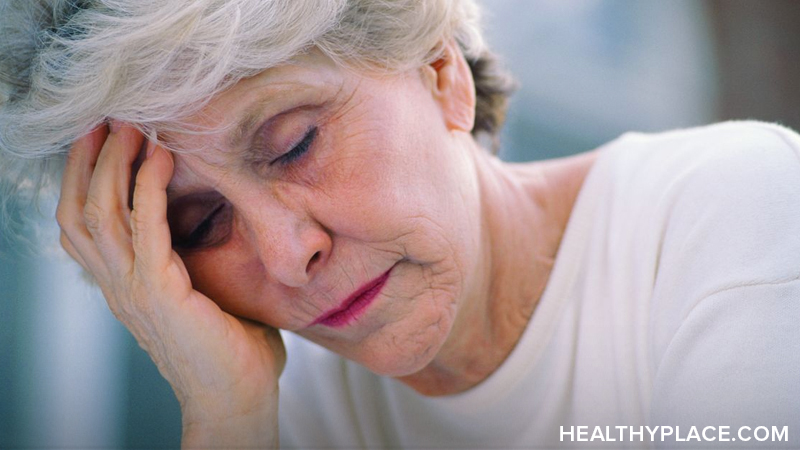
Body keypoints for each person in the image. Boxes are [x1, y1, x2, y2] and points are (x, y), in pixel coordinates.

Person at [1, 0, 798, 448]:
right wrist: (227, 420)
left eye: (294, 144)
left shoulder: (734, 213)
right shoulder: (286, 413)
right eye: (203, 224)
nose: (288, 256)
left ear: (440, 71)